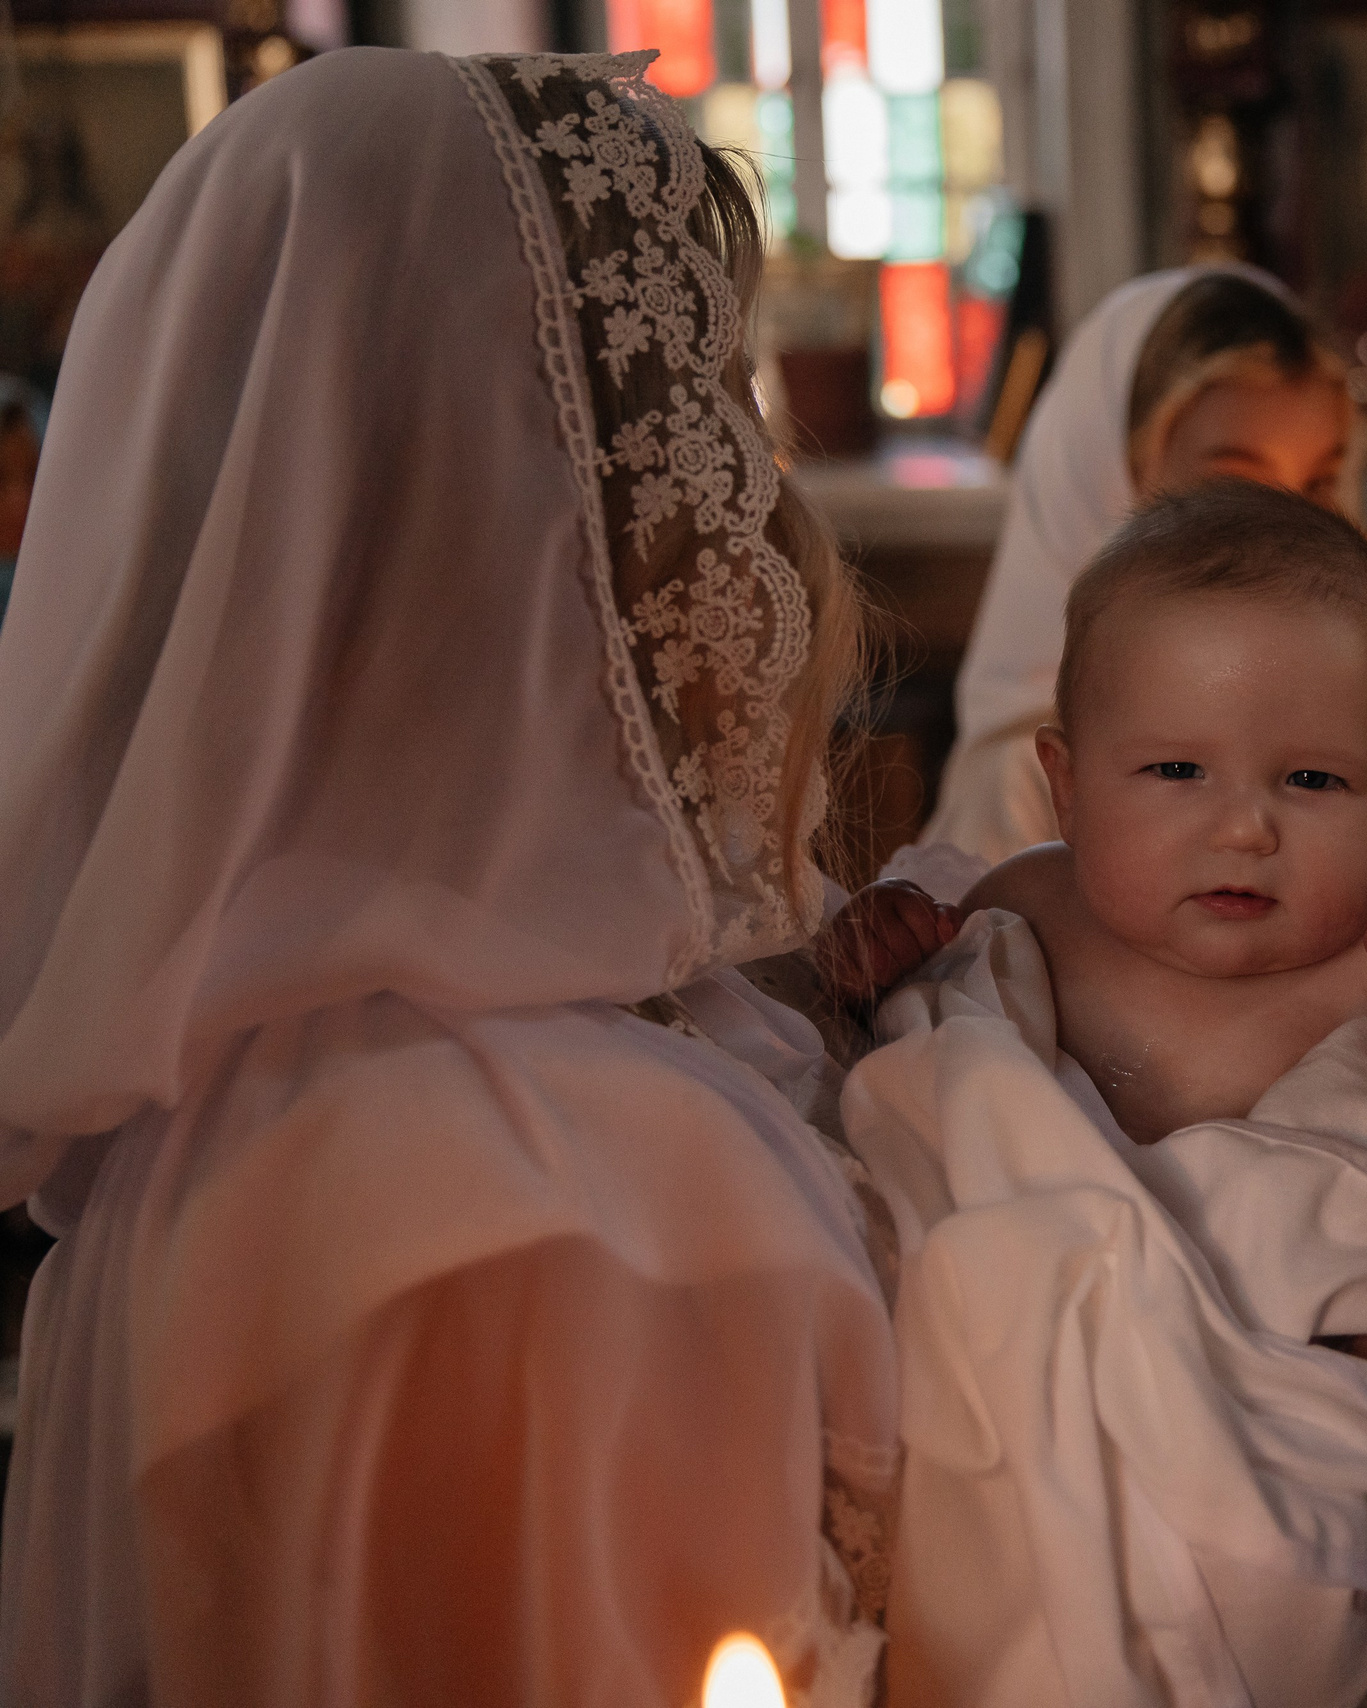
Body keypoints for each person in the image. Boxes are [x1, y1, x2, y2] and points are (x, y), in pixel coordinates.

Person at [0, 50, 899, 1703]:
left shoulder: (219, 1117)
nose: (756, 516)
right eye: (707, 421)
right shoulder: (555, 1196)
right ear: (537, 521)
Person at [839, 483, 1367, 1706]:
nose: (1243, 827)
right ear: (1066, 784)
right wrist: (873, 957)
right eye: (1175, 768)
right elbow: (899, 1080)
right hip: (1021, 1422)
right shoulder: (1021, 907)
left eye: (1313, 782)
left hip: (1265, 1484)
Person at [914, 267, 1351, 872]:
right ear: (1110, 482)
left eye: (1320, 482)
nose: (1289, 531)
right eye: (1238, 487)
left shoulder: (1338, 746)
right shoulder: (1032, 780)